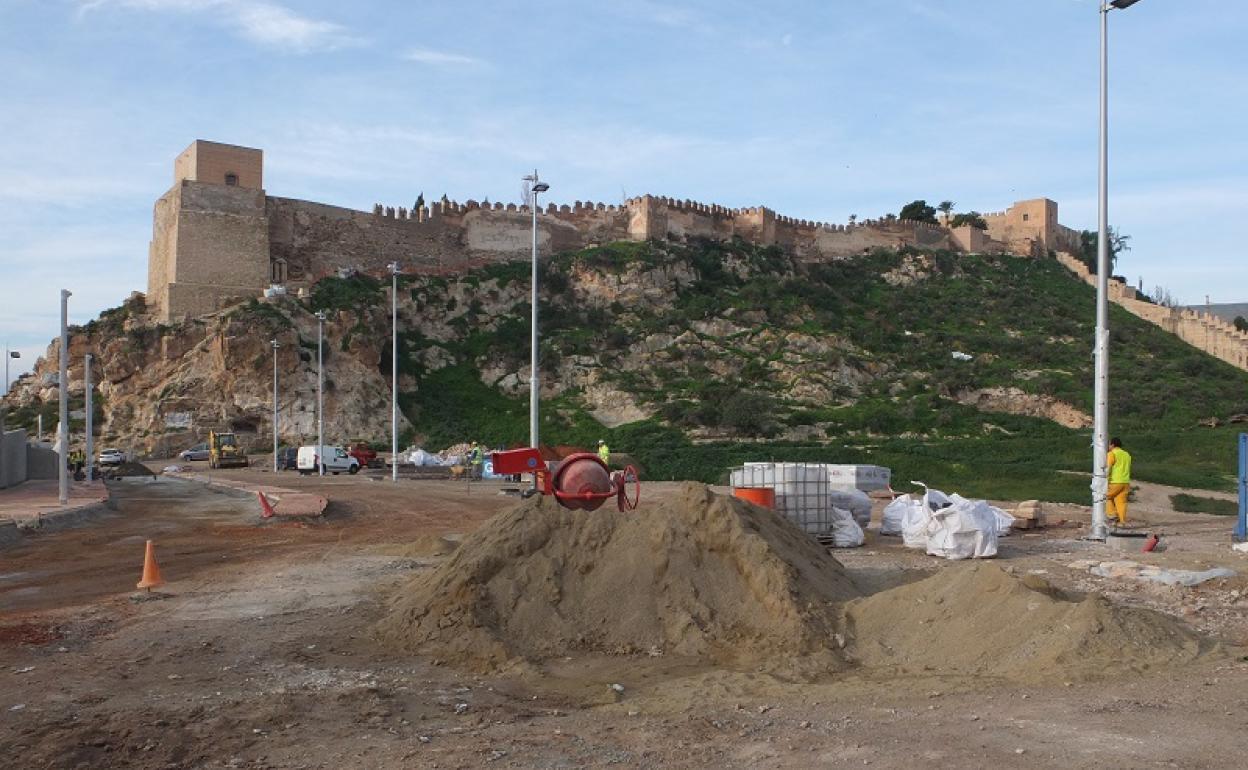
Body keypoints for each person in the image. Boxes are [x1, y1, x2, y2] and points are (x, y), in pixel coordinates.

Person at [1106, 437, 1132, 526]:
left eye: (1109, 444)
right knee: (1121, 503)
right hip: (1125, 482)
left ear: (1112, 445)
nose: (1108, 446)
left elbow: (1108, 468)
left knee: (1103, 497)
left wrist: (1105, 479)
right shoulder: (1127, 454)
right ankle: (1122, 522)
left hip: (1115, 481)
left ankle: (1112, 514)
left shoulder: (1111, 454)